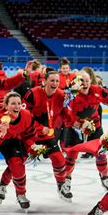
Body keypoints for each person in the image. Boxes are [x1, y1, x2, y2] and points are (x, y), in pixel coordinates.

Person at [64, 70, 108, 192]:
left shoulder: (97, 90)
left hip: (94, 127)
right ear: (76, 82)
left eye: (87, 81)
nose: (85, 83)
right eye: (82, 81)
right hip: (74, 129)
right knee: (71, 154)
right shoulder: (70, 95)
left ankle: (104, 177)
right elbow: (65, 114)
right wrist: (77, 124)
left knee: (101, 152)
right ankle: (67, 179)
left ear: (91, 81)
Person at [23, 71, 73, 201]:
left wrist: (77, 123)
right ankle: (5, 186)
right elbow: (23, 115)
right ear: (44, 81)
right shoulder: (32, 93)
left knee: (59, 159)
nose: (55, 83)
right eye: (52, 80)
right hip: (30, 135)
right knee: (17, 163)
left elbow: (66, 113)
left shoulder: (62, 95)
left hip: (47, 135)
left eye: (57, 81)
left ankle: (61, 186)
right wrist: (39, 128)